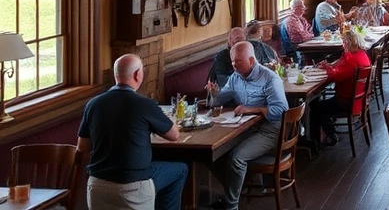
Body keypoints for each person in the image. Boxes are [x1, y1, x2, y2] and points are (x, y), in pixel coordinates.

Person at [78, 54, 188, 210]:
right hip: (133, 186)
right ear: (138, 74)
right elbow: (174, 135)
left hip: (97, 185)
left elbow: (82, 147)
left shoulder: (93, 104)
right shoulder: (144, 104)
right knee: (180, 169)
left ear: (115, 75)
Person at [206, 42, 289, 210]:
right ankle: (236, 187)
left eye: (238, 62)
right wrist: (214, 93)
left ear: (251, 60)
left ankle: (232, 205)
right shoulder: (236, 77)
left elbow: (282, 111)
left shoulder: (270, 78)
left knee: (236, 158)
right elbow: (221, 99)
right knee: (210, 154)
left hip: (271, 130)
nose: (234, 66)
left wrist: (255, 109)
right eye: (232, 62)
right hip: (246, 129)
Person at [311, 29, 371, 147]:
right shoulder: (362, 54)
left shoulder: (351, 60)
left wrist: (327, 68)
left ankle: (328, 137)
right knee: (321, 104)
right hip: (360, 101)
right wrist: (330, 66)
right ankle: (326, 130)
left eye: (344, 42)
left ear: (347, 43)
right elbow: (339, 68)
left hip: (346, 102)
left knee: (315, 106)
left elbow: (336, 76)